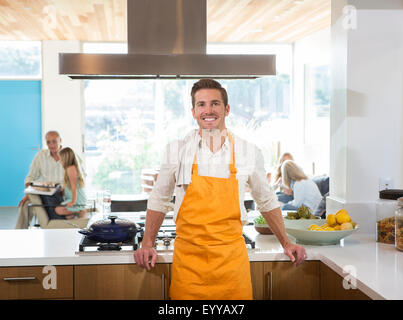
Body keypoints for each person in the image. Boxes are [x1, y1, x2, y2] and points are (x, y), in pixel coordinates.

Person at [133, 78, 306, 300]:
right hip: (189, 263)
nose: (208, 110)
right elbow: (159, 199)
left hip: (231, 264)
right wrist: (148, 243)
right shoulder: (176, 150)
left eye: (215, 103)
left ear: (227, 109)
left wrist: (287, 242)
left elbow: (266, 200)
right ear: (193, 111)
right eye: (201, 104)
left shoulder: (247, 151)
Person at [15, 131, 64, 228]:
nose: (51, 145)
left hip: (63, 195)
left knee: (31, 202)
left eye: (54, 141)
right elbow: (30, 178)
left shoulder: (69, 154)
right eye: (48, 142)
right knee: (26, 205)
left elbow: (80, 178)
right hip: (45, 195)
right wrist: (29, 194)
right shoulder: (41, 156)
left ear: (60, 140)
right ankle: (18, 234)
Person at [54, 147, 87, 220]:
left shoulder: (70, 168)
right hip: (72, 198)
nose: (60, 161)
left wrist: (73, 202)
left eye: (61, 159)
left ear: (66, 159)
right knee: (68, 216)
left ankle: (80, 210)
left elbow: (74, 186)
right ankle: (77, 214)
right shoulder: (69, 168)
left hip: (77, 199)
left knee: (58, 210)